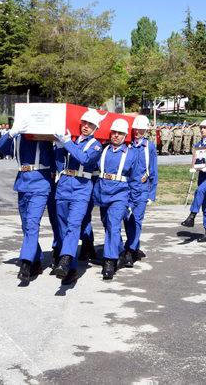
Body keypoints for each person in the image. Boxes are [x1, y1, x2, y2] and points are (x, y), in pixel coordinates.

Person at [0, 118, 55, 284]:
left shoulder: (43, 136)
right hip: (23, 181)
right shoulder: (18, 136)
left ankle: (26, 263)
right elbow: (1, 148)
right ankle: (36, 259)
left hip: (40, 182)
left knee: (32, 223)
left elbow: (54, 154)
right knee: (25, 225)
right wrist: (11, 132)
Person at [52, 110, 104, 283]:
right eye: (84, 123)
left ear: (96, 127)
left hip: (82, 187)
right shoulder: (71, 141)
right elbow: (60, 163)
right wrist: (59, 147)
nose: (86, 126)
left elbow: (84, 159)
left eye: (90, 124)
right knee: (62, 227)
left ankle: (65, 259)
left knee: (74, 225)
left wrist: (66, 142)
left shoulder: (96, 145)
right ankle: (70, 267)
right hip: (64, 184)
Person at [93, 118, 138, 280]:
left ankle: (110, 262)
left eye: (120, 133)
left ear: (125, 135)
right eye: (114, 132)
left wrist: (132, 202)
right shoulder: (102, 149)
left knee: (113, 224)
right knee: (106, 223)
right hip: (102, 192)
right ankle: (119, 251)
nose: (116, 136)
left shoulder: (132, 154)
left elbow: (135, 179)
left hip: (120, 194)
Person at [122, 115, 158, 267]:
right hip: (126, 188)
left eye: (141, 130)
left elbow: (154, 171)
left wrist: (151, 193)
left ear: (145, 130)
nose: (138, 132)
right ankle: (134, 246)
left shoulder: (148, 147)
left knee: (137, 220)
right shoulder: (127, 146)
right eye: (136, 129)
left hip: (141, 190)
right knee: (127, 219)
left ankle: (130, 250)